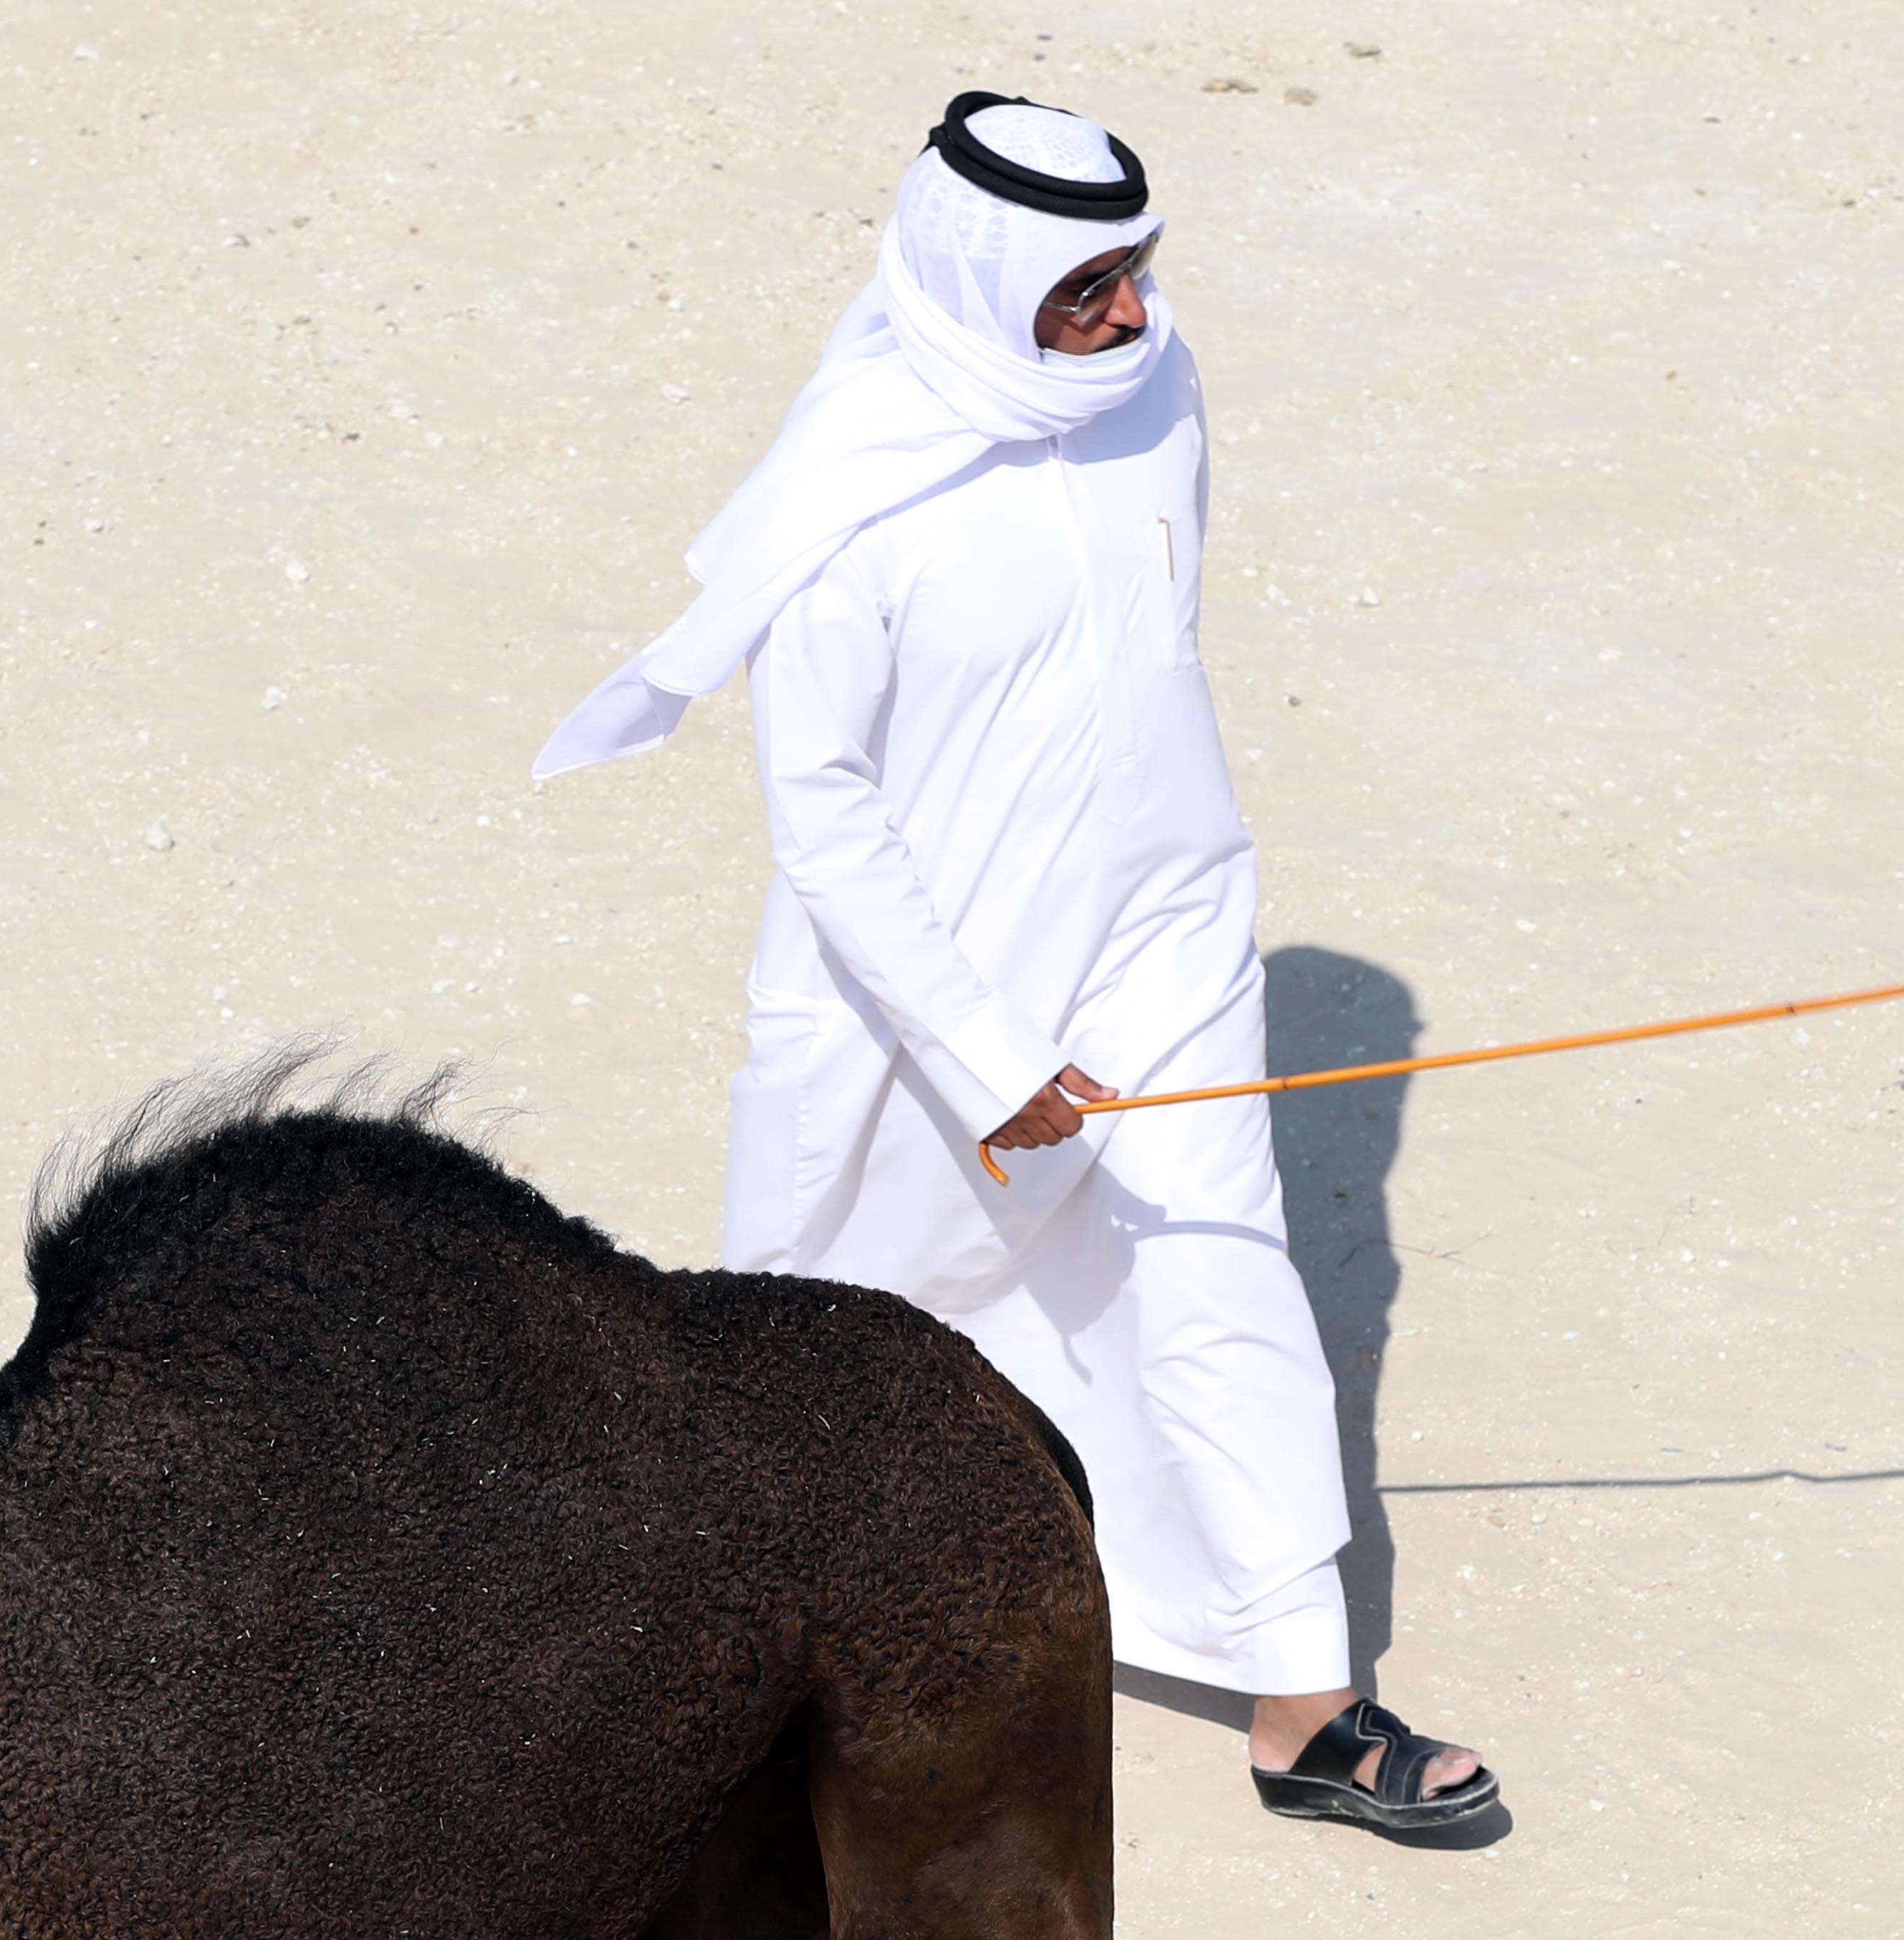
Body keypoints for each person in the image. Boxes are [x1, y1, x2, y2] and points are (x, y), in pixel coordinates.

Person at [535, 92, 1494, 1835]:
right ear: (981, 285)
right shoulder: (852, 503)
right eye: (1087, 292)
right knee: (856, 1335)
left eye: (1137, 271)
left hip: (1169, 923)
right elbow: (825, 824)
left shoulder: (1161, 391)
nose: (1130, 317)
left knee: (1220, 1262)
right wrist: (992, 1060)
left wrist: (1164, 904)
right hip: (926, 993)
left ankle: (1307, 1698)